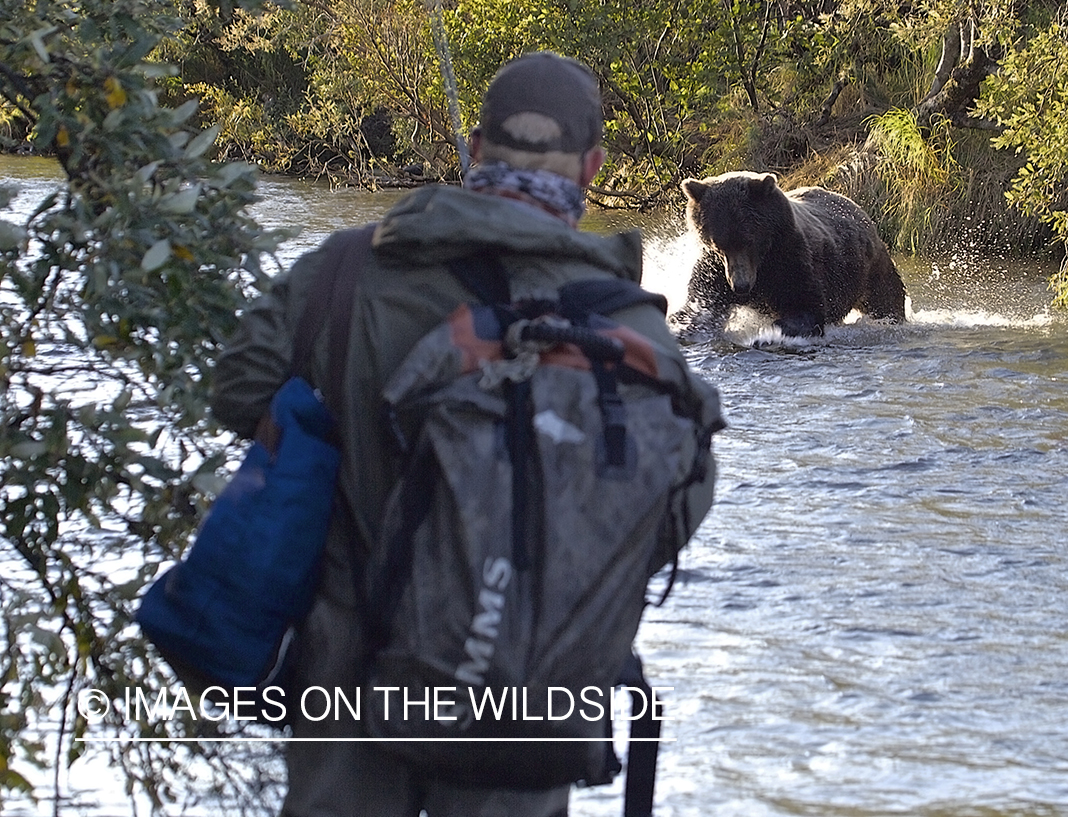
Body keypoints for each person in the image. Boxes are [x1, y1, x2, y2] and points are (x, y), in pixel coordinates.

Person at [211, 51, 718, 817]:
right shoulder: (632, 321)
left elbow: (237, 387)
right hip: (527, 689)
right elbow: (677, 502)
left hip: (350, 672)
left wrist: (340, 447)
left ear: (476, 149)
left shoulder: (347, 266)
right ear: (591, 168)